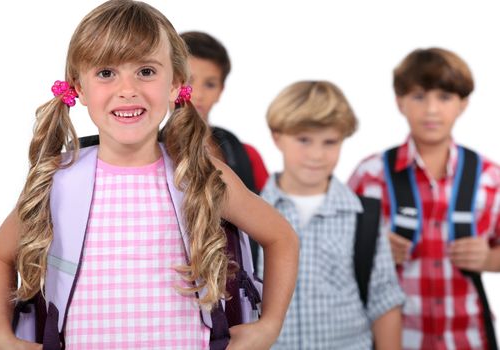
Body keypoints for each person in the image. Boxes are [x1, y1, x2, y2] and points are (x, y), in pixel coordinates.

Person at [0, 1, 299, 349]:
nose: (127, 89)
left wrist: (269, 325)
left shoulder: (201, 174)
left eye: (146, 71)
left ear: (176, 84)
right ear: (79, 88)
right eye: (106, 73)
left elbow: (281, 237)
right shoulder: (59, 179)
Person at [348, 47, 500, 350]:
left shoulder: (489, 177)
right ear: (400, 102)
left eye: (444, 97)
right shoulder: (370, 174)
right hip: (393, 339)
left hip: (469, 338)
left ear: (463, 104)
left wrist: (490, 259)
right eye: (419, 96)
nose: (431, 109)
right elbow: (332, 253)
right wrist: (370, 254)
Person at [258, 81, 405, 349]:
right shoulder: (252, 213)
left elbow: (384, 298)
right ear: (277, 137)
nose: (316, 154)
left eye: (330, 142)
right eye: (303, 140)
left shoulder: (364, 216)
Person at [180, 31, 269, 269]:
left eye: (209, 83)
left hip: (240, 280)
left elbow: (273, 226)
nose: (197, 93)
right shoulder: (149, 151)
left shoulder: (246, 156)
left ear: (220, 90)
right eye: (188, 81)